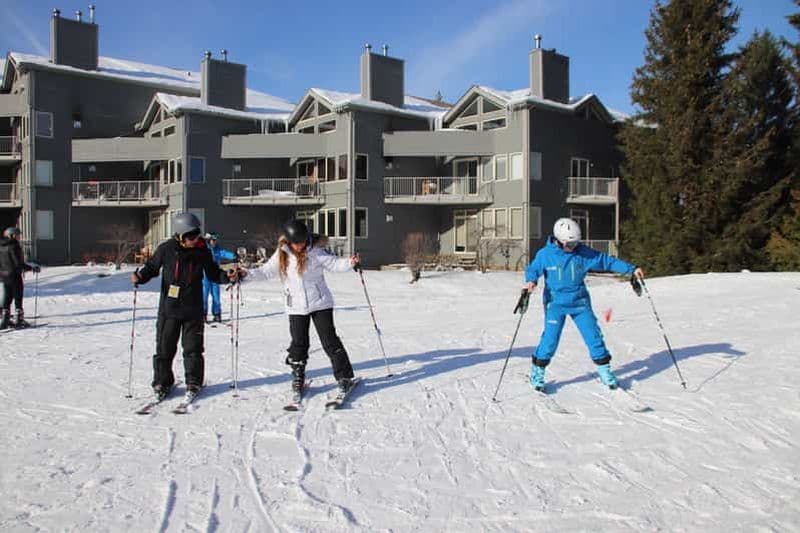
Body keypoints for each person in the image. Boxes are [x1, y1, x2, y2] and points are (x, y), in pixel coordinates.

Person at [131, 213, 245, 401]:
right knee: (164, 348)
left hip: (193, 308)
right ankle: (162, 381)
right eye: (191, 236)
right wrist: (140, 277)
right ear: (181, 235)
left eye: (197, 235)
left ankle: (193, 381)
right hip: (169, 309)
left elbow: (213, 273)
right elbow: (151, 267)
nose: (195, 239)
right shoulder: (167, 249)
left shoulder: (202, 251)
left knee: (193, 348)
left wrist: (228, 277)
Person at [523, 218, 644, 391]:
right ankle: (538, 371)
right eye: (569, 243)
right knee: (550, 340)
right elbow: (533, 269)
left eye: (575, 242)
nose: (573, 246)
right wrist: (531, 281)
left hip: (579, 302)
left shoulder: (582, 253)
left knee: (593, 336)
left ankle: (604, 370)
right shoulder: (545, 255)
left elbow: (607, 261)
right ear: (558, 240)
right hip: (555, 303)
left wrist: (631, 269)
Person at [257, 219, 359, 395]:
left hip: (320, 303)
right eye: (297, 243)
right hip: (296, 306)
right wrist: (244, 275)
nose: (301, 245)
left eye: (303, 241)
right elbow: (265, 271)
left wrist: (350, 262)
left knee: (330, 341)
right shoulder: (282, 254)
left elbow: (334, 263)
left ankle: (344, 377)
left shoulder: (316, 251)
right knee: (299, 344)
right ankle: (298, 378)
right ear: (289, 241)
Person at [0, 227, 40, 330]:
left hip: (4, 275)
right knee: (18, 295)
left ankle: (5, 319)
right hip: (14, 275)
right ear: (12, 235)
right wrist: (31, 268)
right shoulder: (14, 246)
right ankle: (19, 319)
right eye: (18, 235)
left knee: (7, 297)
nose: (19, 237)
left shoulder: (1, 246)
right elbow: (18, 263)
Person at [202, 232, 237, 323]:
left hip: (215, 275)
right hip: (205, 276)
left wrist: (234, 255)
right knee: (204, 296)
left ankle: (217, 314)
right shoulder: (204, 250)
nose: (215, 242)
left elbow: (225, 253)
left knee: (216, 296)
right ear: (208, 240)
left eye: (215, 240)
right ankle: (203, 315)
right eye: (213, 240)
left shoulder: (217, 250)